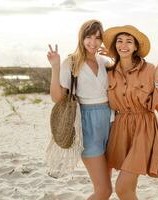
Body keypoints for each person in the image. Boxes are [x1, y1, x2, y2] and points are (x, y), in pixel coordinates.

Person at [103, 25, 158, 200]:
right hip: (120, 128)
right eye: (119, 41)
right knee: (129, 189)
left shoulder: (150, 69)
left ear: (136, 47)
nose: (123, 45)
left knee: (122, 188)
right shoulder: (109, 72)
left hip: (144, 128)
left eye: (129, 41)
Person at [47, 19, 112, 200]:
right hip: (87, 125)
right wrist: (55, 66)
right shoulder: (72, 62)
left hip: (110, 122)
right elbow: (57, 98)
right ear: (81, 38)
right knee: (104, 190)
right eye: (89, 37)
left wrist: (113, 54)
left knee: (106, 187)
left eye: (98, 38)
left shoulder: (104, 61)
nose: (93, 42)